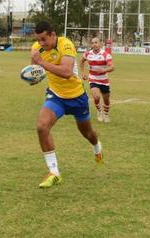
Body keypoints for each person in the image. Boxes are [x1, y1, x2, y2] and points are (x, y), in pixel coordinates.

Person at [30, 21, 103, 188]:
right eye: (38, 40)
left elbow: (67, 72)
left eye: (43, 39)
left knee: (88, 134)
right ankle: (54, 172)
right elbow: (34, 68)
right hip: (56, 96)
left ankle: (97, 148)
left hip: (77, 97)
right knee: (42, 126)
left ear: (53, 35)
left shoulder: (66, 45)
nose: (40, 43)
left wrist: (41, 63)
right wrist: (32, 75)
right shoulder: (36, 48)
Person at [79, 37, 115, 123]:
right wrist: (83, 73)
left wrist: (104, 70)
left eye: (96, 43)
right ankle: (99, 111)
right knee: (96, 97)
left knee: (106, 100)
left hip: (104, 81)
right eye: (92, 43)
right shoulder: (88, 54)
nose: (94, 44)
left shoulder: (105, 54)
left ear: (100, 44)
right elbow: (81, 61)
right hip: (93, 79)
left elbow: (112, 67)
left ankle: (106, 114)